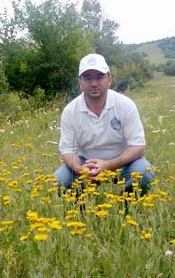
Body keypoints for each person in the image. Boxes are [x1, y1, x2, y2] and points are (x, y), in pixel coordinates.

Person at [54, 53, 154, 195]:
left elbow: (138, 146)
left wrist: (108, 165)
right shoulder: (70, 111)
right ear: (80, 81)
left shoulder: (125, 105)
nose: (94, 83)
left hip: (122, 162)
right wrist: (80, 170)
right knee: (59, 180)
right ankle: (79, 212)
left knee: (144, 173)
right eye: (88, 78)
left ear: (109, 79)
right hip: (85, 164)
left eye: (99, 77)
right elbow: (67, 150)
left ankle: (128, 208)